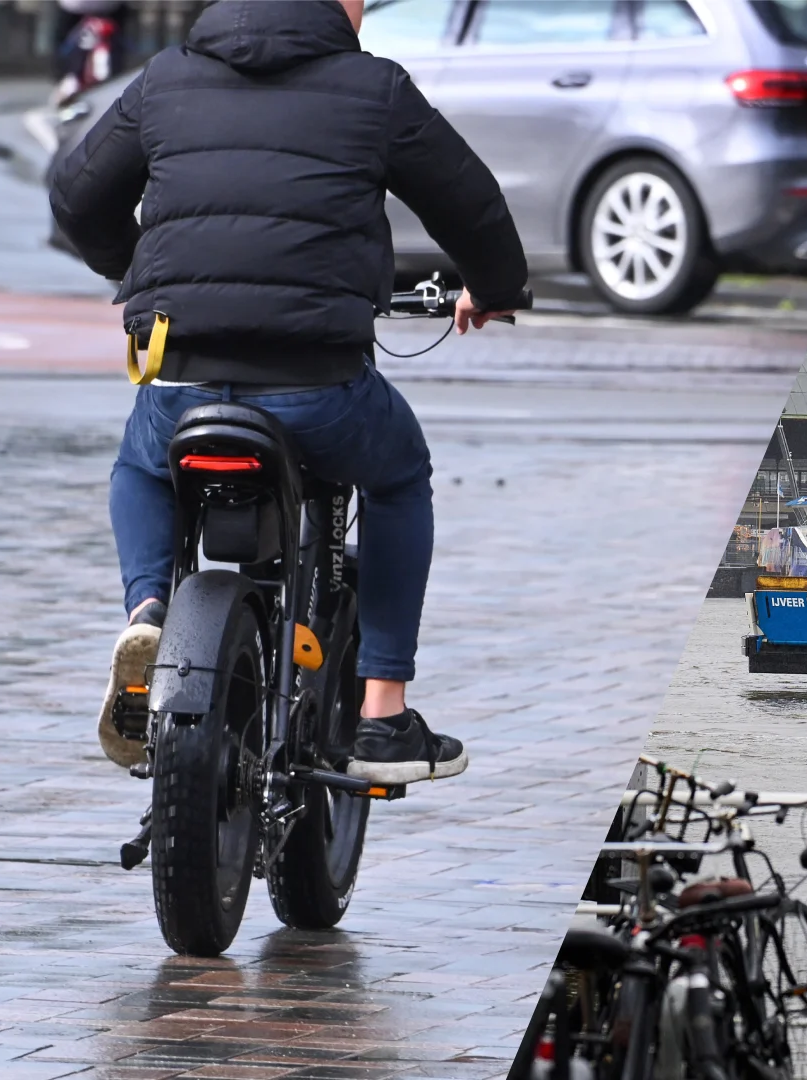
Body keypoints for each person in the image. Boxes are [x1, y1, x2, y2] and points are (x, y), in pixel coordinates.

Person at [49, 0, 527, 785]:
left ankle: (147, 615)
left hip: (182, 380)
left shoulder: (166, 77)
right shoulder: (374, 89)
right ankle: (383, 714)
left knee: (140, 465)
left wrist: (137, 269)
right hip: (317, 387)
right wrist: (495, 286)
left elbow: (75, 194)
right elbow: (467, 201)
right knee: (401, 474)